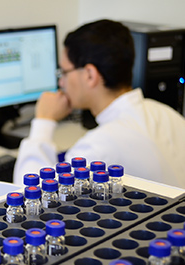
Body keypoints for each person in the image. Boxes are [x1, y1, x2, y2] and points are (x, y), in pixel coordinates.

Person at [13, 19, 185, 189]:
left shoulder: (99, 147)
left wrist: (44, 120)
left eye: (64, 72)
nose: (62, 83)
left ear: (90, 75)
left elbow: (30, 192)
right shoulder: (167, 114)